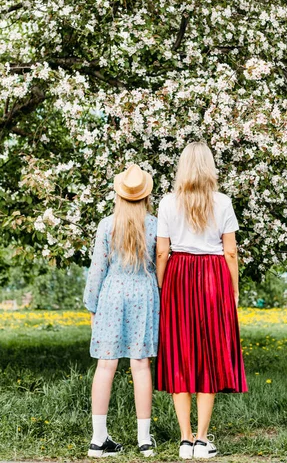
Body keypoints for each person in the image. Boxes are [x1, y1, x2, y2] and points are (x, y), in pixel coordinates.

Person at [156, 142, 248, 460]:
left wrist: (161, 286)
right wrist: (234, 290)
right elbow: (231, 251)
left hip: (179, 275)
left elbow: (162, 251)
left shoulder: (168, 203)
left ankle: (184, 439)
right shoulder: (222, 203)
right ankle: (201, 439)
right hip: (212, 277)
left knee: (181, 354)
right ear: (210, 167)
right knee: (208, 356)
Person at [83, 164, 159, 458]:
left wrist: (92, 307)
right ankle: (144, 440)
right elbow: (160, 263)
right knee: (141, 366)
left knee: (105, 366)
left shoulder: (106, 224)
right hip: (143, 294)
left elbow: (97, 270)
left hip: (112, 295)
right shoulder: (154, 225)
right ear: (145, 196)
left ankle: (98, 439)